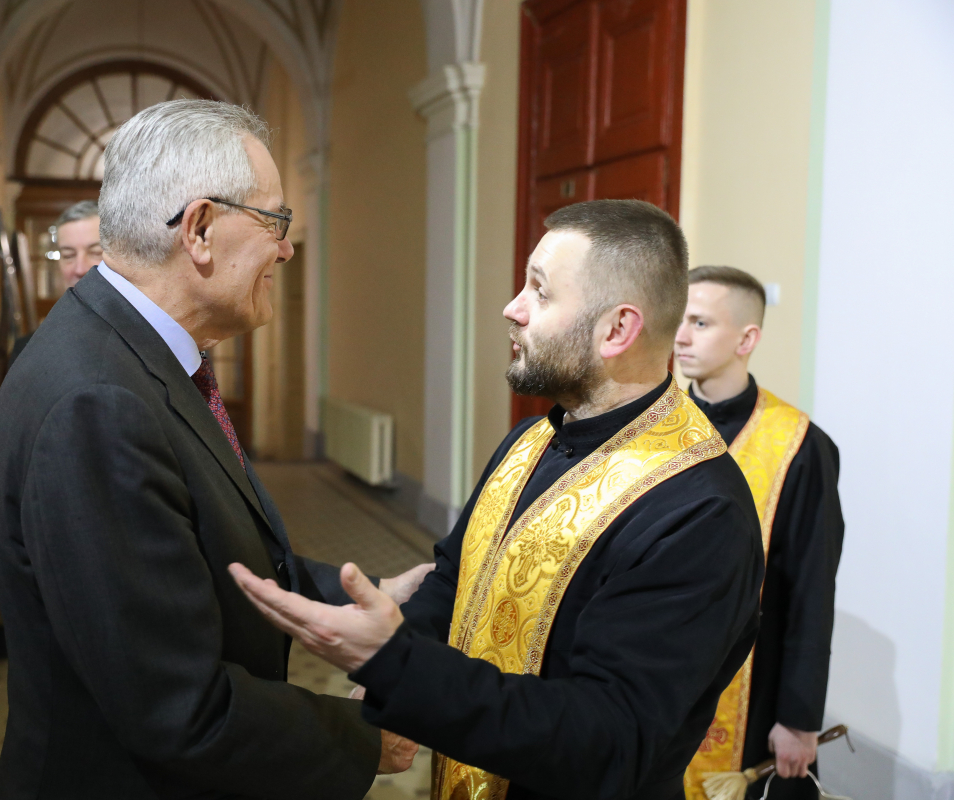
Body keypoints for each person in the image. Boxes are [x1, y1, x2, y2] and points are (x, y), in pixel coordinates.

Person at [231, 199, 766, 800]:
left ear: (617, 329)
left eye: (539, 291)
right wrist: (402, 647)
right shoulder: (533, 439)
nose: (511, 308)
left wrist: (399, 666)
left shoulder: (699, 511)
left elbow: (610, 736)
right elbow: (455, 579)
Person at [0, 100, 431, 800]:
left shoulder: (130, 353)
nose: (285, 248)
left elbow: (200, 561)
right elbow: (174, 707)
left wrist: (355, 594)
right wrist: (368, 740)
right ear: (199, 230)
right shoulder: (99, 404)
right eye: (275, 222)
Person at [675, 266, 844, 800]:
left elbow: (811, 589)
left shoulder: (798, 446)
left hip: (750, 678)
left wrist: (798, 719)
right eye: (678, 319)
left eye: (700, 322)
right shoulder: (654, 425)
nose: (680, 335)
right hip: (653, 669)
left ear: (747, 338)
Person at [9, 199, 100, 364]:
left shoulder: (148, 339)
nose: (80, 269)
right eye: (68, 255)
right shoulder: (29, 351)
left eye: (96, 252)